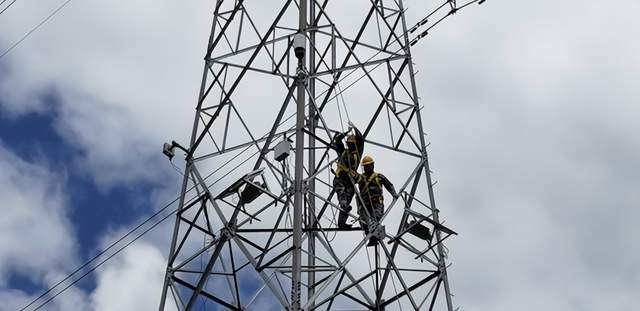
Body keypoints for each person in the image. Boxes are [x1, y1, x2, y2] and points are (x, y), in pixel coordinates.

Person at [356, 155, 398, 246]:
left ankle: (374, 238)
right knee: (363, 222)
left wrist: (394, 194)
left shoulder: (378, 177)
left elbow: (389, 185)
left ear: (372, 165)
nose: (367, 168)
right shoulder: (360, 178)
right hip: (364, 205)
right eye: (365, 166)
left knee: (375, 220)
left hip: (376, 203)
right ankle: (370, 236)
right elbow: (353, 183)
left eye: (368, 165)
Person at [332, 122, 364, 229]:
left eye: (351, 144)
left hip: (350, 181)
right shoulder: (343, 152)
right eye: (348, 144)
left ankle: (342, 222)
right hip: (340, 178)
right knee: (342, 196)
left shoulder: (357, 153)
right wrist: (345, 133)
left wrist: (355, 128)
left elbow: (361, 140)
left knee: (348, 198)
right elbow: (337, 140)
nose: (350, 146)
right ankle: (344, 208)